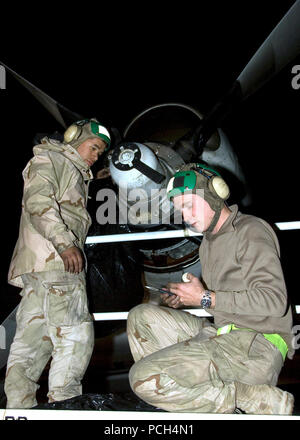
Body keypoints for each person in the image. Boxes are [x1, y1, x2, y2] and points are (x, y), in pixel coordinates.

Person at [127, 163, 295, 415]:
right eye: (179, 210)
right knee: (141, 317)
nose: (185, 217)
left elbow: (274, 300)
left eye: (189, 205)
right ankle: (186, 398)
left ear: (215, 195)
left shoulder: (250, 231)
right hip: (223, 334)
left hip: (255, 346)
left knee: (142, 378)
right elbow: (223, 298)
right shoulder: (208, 243)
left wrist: (205, 298)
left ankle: (246, 397)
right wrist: (189, 298)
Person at [5, 118, 111, 408]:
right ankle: (65, 404)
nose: (95, 154)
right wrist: (65, 243)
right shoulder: (53, 160)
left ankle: (18, 408)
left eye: (100, 152)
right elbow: (39, 202)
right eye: (94, 147)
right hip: (56, 263)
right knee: (75, 333)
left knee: (32, 341)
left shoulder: (61, 165)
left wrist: (93, 177)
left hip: (39, 268)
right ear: (73, 138)